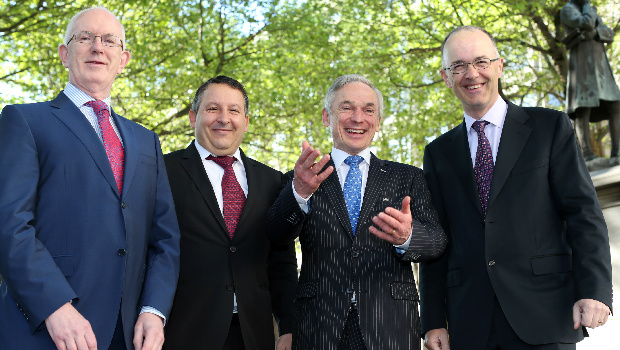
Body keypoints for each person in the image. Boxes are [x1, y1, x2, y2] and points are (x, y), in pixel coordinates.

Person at [420, 26, 612, 350]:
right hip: (470, 324)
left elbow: (583, 214)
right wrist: (434, 320)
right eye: (459, 66)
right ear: (445, 77)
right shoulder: (438, 153)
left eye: (481, 61)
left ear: (499, 66)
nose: (472, 73)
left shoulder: (550, 128)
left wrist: (594, 290)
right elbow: (437, 241)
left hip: (545, 314)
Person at [0, 7, 181, 350]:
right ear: (65, 55)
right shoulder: (24, 120)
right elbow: (9, 224)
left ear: (123, 58)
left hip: (128, 334)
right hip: (45, 331)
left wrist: (154, 310)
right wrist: (53, 305)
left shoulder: (147, 141)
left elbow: (165, 239)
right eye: (85, 38)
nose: (98, 47)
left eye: (109, 40)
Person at [266, 74, 447, 350]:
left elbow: (437, 241)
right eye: (347, 108)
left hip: (389, 325)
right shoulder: (301, 178)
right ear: (327, 117)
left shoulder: (407, 178)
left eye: (368, 110)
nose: (358, 118)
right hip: (317, 327)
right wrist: (300, 192)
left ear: (378, 122)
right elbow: (276, 235)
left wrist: (408, 237)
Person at [162, 75, 298, 350]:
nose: (224, 118)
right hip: (182, 332)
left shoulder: (271, 181)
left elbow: (281, 263)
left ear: (245, 121)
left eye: (234, 110)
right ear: (193, 117)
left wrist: (289, 325)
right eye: (213, 109)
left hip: (253, 334)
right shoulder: (162, 171)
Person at [561, 0, 620, 160]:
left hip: (600, 66)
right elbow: (586, 23)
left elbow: (609, 33)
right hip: (581, 65)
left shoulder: (590, 9)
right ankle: (587, 154)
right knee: (583, 107)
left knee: (615, 105)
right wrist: (588, 8)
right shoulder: (568, 10)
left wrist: (596, 33)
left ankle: (617, 152)